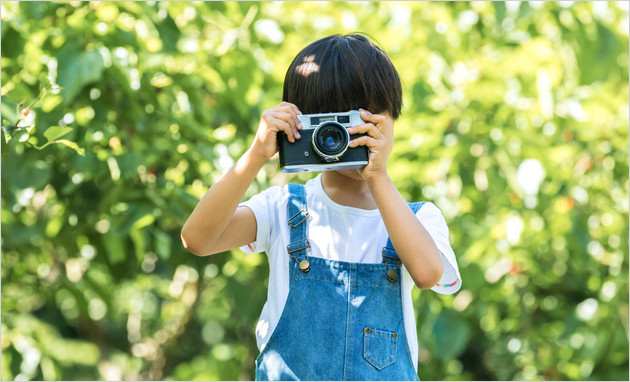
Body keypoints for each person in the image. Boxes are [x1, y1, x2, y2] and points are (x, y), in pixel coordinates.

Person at [181, 33, 461, 381]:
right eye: (337, 123)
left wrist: (378, 177)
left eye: (365, 121)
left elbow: (427, 273)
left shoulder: (417, 218)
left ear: (392, 120)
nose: (350, 135)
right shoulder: (283, 207)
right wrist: (256, 154)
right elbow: (198, 239)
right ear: (307, 126)